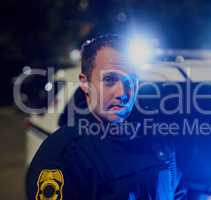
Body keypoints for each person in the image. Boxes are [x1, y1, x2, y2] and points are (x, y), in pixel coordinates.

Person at [26, 34, 187, 200]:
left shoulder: (157, 141)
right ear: (85, 83)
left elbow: (177, 192)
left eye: (131, 81)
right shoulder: (63, 156)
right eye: (110, 80)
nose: (122, 93)